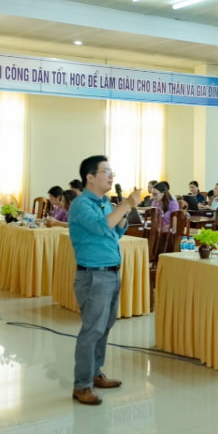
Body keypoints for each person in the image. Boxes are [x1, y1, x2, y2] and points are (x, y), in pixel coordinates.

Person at [69, 155, 141, 405]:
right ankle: (82, 385)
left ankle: (95, 372)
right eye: (106, 172)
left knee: (105, 326)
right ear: (90, 177)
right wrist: (124, 206)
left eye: (112, 172)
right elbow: (101, 227)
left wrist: (126, 209)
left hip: (111, 272)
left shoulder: (104, 203)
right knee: (92, 330)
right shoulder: (81, 204)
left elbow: (116, 231)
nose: (111, 176)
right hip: (93, 275)